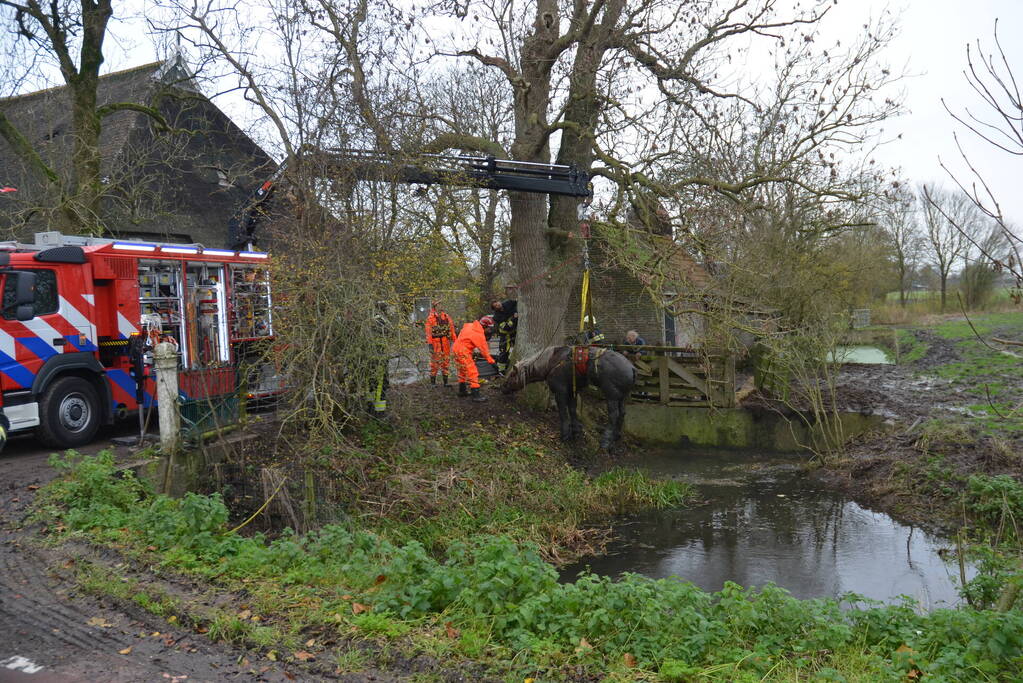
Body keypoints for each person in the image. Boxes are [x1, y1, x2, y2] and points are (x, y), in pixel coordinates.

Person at [452, 316, 499, 402]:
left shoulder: (470, 325)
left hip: (456, 348)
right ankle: (476, 395)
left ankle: (462, 391)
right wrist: (492, 362)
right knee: (472, 372)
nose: (490, 330)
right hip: (463, 351)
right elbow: (484, 351)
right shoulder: (478, 334)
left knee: (462, 370)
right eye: (489, 328)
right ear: (484, 326)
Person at [424, 300, 455, 386]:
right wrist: (430, 344)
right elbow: (428, 332)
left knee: (446, 362)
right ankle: (433, 383)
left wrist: (455, 341)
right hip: (435, 343)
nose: (441, 306)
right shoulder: (430, 318)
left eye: (441, 304)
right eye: (439, 304)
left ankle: (446, 382)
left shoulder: (446, 317)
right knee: (435, 362)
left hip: (445, 342)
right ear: (435, 306)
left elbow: (451, 329)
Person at [490, 299, 517, 371]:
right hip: (505, 335)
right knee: (504, 352)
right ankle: (501, 370)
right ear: (495, 309)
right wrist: (514, 318)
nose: (497, 304)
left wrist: (516, 312)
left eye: (497, 302)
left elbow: (517, 303)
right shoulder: (496, 317)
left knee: (517, 347)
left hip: (514, 332)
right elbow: (506, 327)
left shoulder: (508, 303)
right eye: (495, 306)